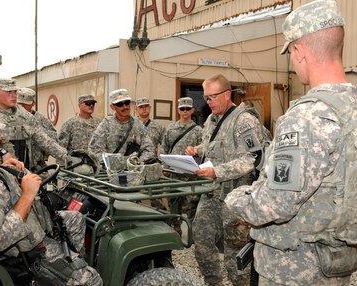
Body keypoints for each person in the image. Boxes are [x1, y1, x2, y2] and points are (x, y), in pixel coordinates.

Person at [225, 1, 356, 285]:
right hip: (338, 264)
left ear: (299, 50)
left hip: (293, 269)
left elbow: (275, 204)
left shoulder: (306, 117)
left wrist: (236, 199)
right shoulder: (352, 108)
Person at [0, 110, 102, 285]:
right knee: (92, 280)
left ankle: (74, 263)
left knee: (75, 218)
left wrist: (3, 170)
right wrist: (27, 194)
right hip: (23, 252)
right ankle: (73, 273)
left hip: (25, 231)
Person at [185, 74, 265, 286]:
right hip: (211, 194)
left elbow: (253, 159)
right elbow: (213, 145)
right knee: (201, 242)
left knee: (234, 254)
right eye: (206, 98)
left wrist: (217, 171)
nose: (208, 102)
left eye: (212, 97)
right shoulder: (211, 120)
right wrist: (197, 150)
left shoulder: (244, 120)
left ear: (227, 94)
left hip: (236, 198)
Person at [0, 78, 70, 170]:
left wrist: (65, 155)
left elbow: (43, 139)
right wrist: (2, 152)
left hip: (25, 172)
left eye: (15, 92)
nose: (13, 95)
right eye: (8, 92)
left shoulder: (25, 115)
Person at [162, 97, 202, 226]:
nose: (185, 111)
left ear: (192, 110)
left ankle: (192, 229)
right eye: (182, 109)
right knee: (173, 202)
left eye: (188, 109)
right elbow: (165, 149)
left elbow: (202, 152)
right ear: (178, 110)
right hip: (173, 173)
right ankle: (176, 227)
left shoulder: (198, 131)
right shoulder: (170, 129)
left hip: (190, 174)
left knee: (192, 203)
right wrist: (165, 167)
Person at [88, 88, 156, 164]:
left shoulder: (138, 125)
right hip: (110, 172)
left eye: (127, 103)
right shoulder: (106, 125)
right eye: (120, 104)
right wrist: (110, 164)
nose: (125, 107)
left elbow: (149, 149)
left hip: (133, 171)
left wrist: (137, 163)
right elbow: (94, 150)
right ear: (112, 107)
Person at [17, 87, 58, 170]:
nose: (22, 107)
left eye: (25, 105)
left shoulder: (39, 118)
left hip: (37, 166)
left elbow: (54, 136)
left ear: (33, 103)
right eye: (20, 104)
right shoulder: (12, 117)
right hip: (17, 166)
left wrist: (38, 135)